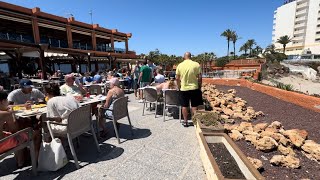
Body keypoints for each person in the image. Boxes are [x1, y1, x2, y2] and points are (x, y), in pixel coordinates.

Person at [0, 91, 40, 168]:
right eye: (7, 101)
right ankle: (34, 162)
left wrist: (22, 105)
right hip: (2, 144)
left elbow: (10, 106)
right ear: (2, 101)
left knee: (14, 134)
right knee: (36, 133)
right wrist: (11, 114)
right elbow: (14, 129)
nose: (8, 103)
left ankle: (20, 161)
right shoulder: (5, 114)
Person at [176, 52, 202, 127]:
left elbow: (177, 78)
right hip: (194, 88)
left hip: (184, 88)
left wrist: (178, 86)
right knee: (194, 106)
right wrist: (200, 86)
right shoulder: (196, 64)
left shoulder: (180, 65)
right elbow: (200, 77)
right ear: (191, 57)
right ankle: (195, 122)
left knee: (184, 106)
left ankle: (185, 121)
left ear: (184, 57)